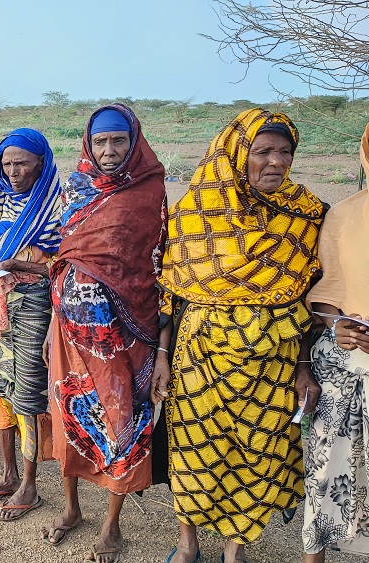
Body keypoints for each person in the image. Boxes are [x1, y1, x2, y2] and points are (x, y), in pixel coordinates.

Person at [153, 108, 323, 563]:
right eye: (263, 151)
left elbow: (311, 299)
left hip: (275, 361)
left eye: (285, 152)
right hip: (200, 356)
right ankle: (187, 541)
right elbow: (171, 293)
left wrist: (305, 365)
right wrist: (162, 357)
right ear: (235, 154)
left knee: (259, 454)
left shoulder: (305, 214)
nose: (276, 162)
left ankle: (236, 546)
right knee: (193, 451)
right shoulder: (196, 210)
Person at [42, 104, 167, 563]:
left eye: (118, 141)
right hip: (69, 334)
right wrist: (53, 326)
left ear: (133, 141)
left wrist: (159, 349)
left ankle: (112, 525)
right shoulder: (74, 189)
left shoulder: (150, 191)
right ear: (88, 144)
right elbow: (63, 259)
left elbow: (156, 267)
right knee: (66, 418)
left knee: (120, 426)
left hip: (125, 336)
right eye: (100, 141)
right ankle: (73, 508)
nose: (109, 150)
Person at [0, 128, 62, 521]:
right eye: (7, 164)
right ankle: (8, 471)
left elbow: (60, 265)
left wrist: (18, 264)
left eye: (22, 163)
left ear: (40, 162)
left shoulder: (57, 204)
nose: (13, 171)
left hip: (35, 303)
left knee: (26, 391)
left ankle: (30, 482)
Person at [299, 124, 369, 561]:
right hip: (345, 363)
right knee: (324, 474)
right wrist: (336, 326)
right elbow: (325, 296)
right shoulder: (344, 215)